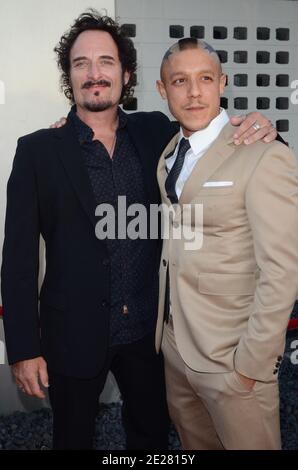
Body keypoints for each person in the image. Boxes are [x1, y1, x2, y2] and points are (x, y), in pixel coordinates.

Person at [1, 11, 279, 450]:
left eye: (106, 62)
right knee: (71, 440)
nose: (95, 74)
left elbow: (215, 134)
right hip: (72, 335)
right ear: (68, 76)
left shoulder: (156, 132)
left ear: (126, 73)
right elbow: (16, 259)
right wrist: (22, 348)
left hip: (151, 337)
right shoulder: (37, 151)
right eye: (81, 63)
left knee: (150, 437)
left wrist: (264, 129)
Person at [155, 37, 298, 450]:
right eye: (180, 81)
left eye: (205, 78)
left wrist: (250, 366)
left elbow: (283, 270)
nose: (194, 91)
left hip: (233, 361)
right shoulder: (168, 153)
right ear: (163, 90)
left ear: (223, 83)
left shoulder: (262, 153)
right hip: (175, 351)